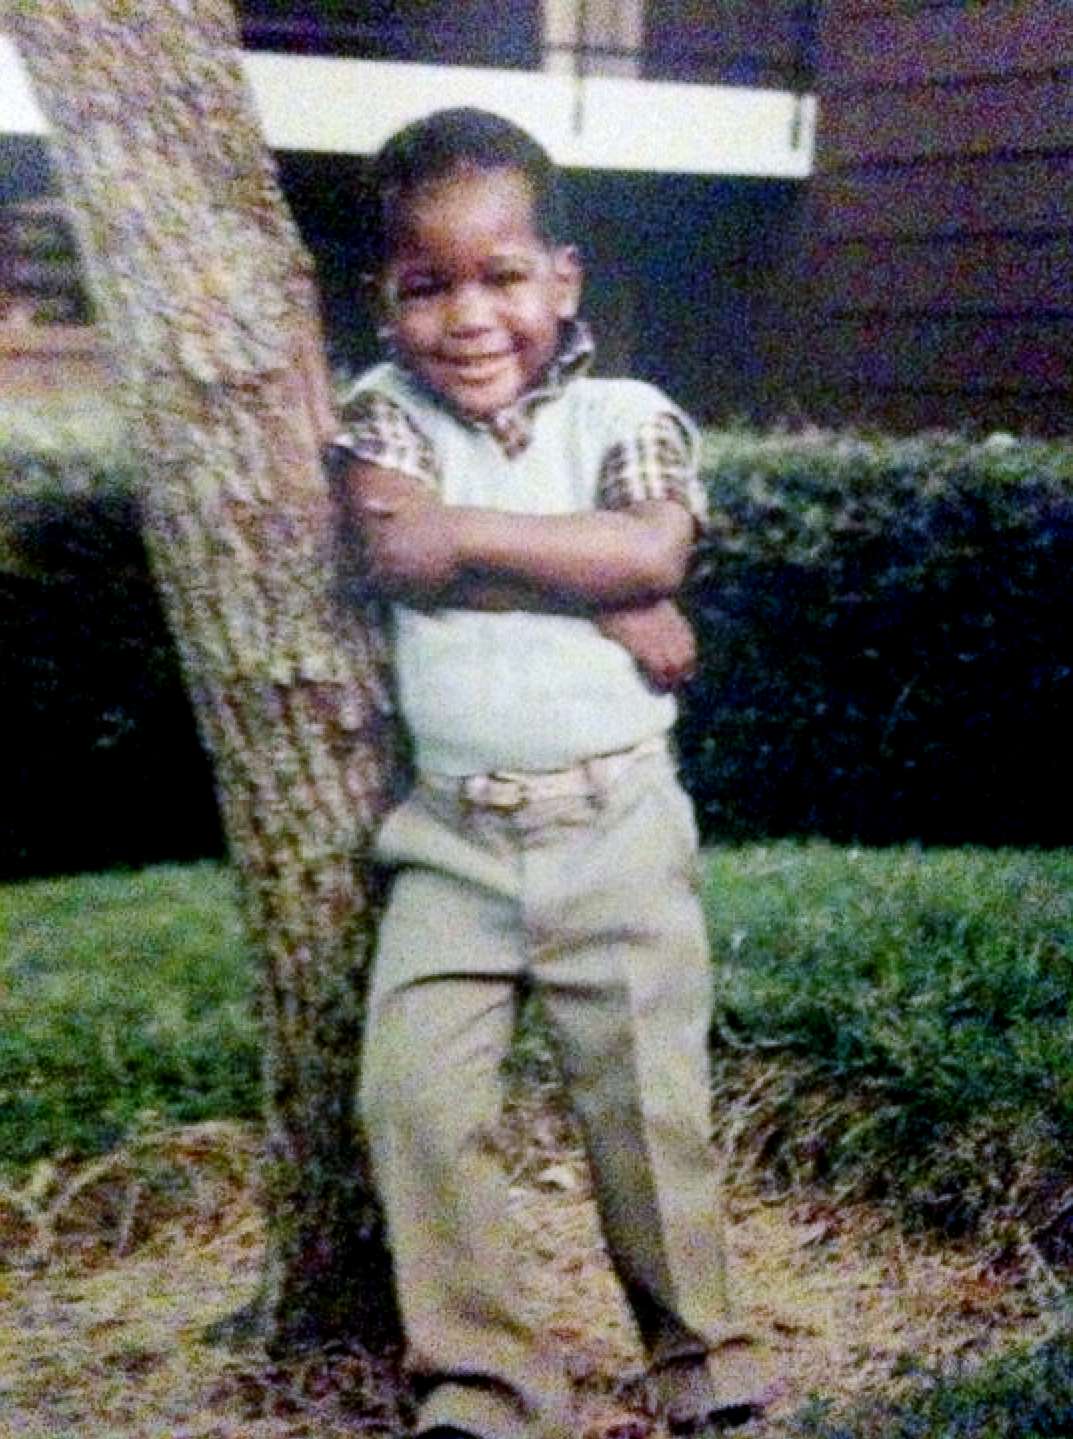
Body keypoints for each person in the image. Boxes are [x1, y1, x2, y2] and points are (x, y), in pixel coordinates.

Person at [329, 107, 768, 1439]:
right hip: (450, 842)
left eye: (502, 275)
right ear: (384, 298)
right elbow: (399, 559)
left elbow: (652, 557)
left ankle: (701, 1355)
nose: (469, 316)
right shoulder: (380, 412)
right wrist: (589, 591)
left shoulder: (630, 413)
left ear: (560, 278)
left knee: (644, 1106)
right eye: (427, 284)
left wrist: (495, 547)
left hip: (615, 825)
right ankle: (480, 1376)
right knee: (412, 1099)